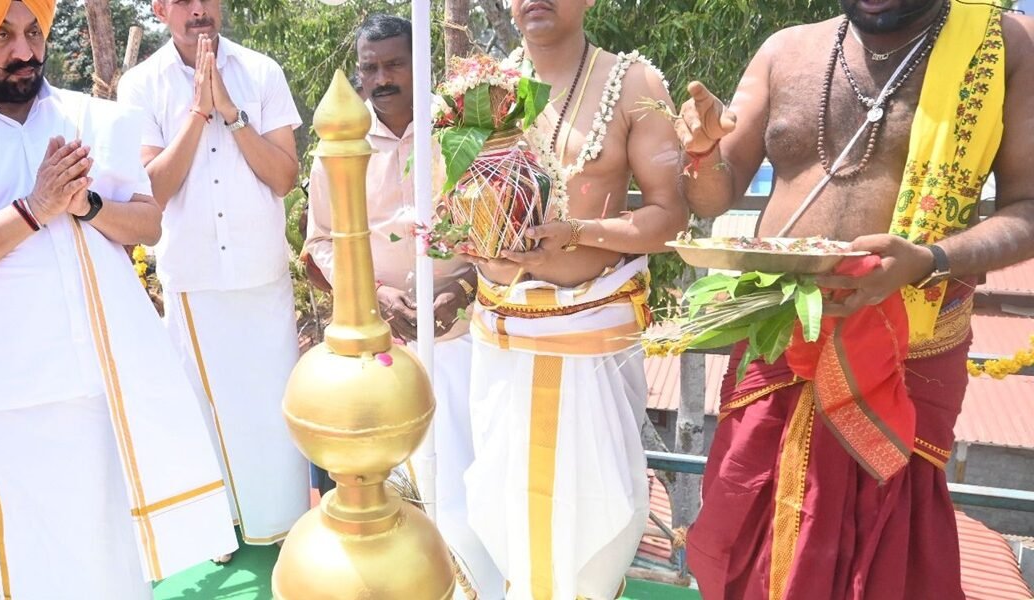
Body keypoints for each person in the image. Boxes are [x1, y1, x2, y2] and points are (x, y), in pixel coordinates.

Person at [675, 1, 1034, 598]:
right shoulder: (783, 51)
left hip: (905, 343)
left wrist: (931, 260)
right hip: (777, 334)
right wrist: (702, 153)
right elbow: (712, 198)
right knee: (746, 534)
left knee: (887, 558)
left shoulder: (1000, 48)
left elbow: (1029, 209)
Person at [0, 1, 236, 597]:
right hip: (1, 395)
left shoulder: (93, 119)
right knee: (25, 568)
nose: (25, 51)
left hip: (101, 381)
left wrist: (88, 207)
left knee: (110, 561)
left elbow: (147, 225)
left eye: (33, 32)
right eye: (2, 36)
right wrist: (32, 210)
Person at [463, 1, 689, 597]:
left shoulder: (635, 81)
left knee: (594, 517)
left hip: (591, 338)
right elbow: (469, 204)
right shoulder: (481, 89)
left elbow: (670, 217)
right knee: (508, 510)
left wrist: (578, 234)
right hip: (506, 335)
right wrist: (473, 242)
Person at [301, 14, 504, 599]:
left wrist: (463, 286)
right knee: (398, 494)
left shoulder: (462, 133)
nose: (382, 78)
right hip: (380, 349)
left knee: (472, 491)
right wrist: (372, 296)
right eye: (371, 67)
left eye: (395, 64)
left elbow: (499, 230)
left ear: (421, 65)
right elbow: (319, 242)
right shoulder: (337, 147)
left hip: (466, 336)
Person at [116, 0, 309, 555]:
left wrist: (231, 111)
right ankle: (215, 530)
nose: (198, 10)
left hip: (260, 272)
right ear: (159, 9)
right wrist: (197, 116)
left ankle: (285, 524)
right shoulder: (141, 85)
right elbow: (152, 188)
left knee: (273, 410)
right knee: (203, 409)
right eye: (182, 1)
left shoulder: (260, 71)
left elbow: (283, 177)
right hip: (194, 276)